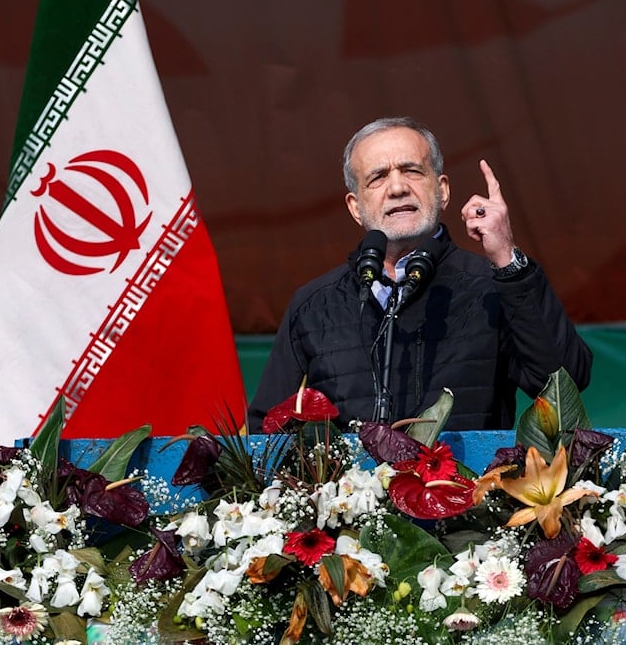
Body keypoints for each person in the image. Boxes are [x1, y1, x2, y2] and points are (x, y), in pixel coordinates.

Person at [247, 116, 592, 432]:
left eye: (412, 171)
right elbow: (268, 429)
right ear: (356, 207)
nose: (397, 188)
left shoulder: (492, 287)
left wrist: (506, 258)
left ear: (442, 190)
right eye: (378, 177)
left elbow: (565, 384)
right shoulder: (313, 305)